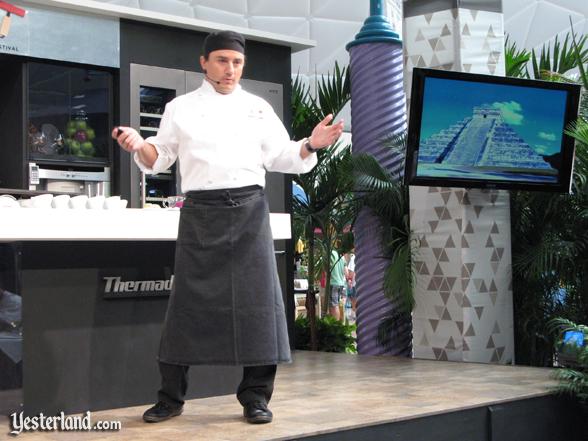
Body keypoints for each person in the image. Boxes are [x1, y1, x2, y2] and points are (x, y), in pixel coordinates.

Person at [112, 30, 343, 425]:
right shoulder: (180, 108)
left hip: (250, 212)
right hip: (201, 212)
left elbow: (283, 156)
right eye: (221, 60)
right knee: (185, 307)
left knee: (259, 306)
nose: (229, 69)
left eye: (236, 62)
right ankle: (170, 398)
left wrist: (312, 144)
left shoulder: (257, 108)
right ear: (204, 62)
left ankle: (255, 397)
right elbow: (160, 158)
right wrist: (138, 145)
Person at [328, 249, 346, 321]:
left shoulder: (329, 254)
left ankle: (336, 325)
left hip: (333, 283)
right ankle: (335, 324)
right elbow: (346, 271)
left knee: (334, 306)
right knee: (335, 304)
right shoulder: (341, 255)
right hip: (341, 283)